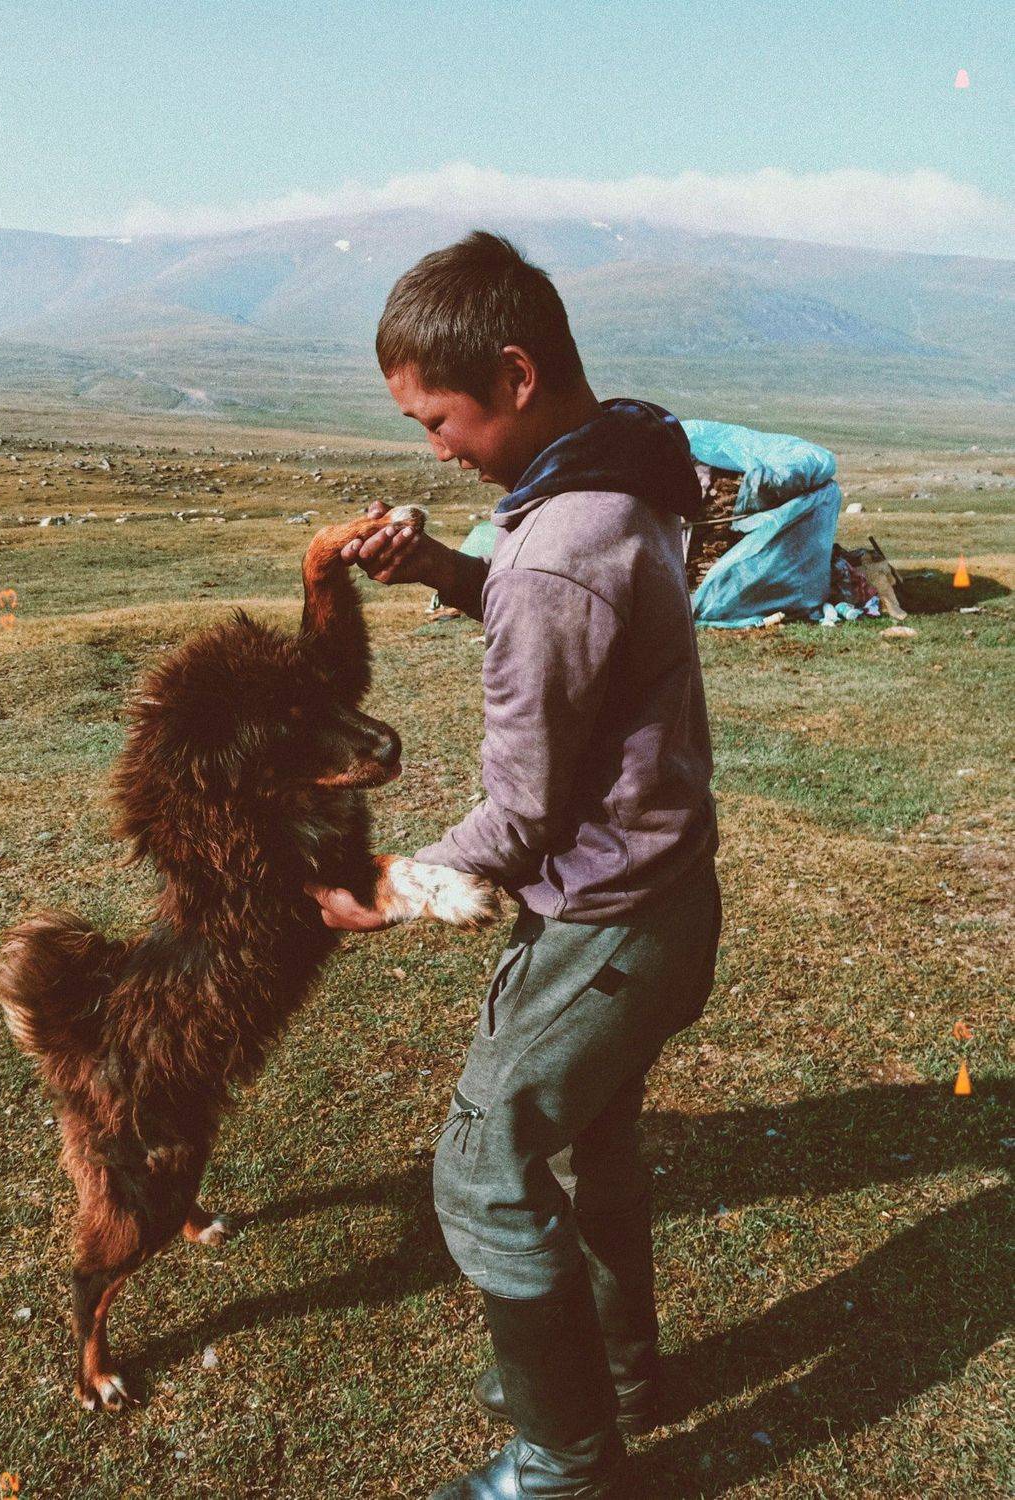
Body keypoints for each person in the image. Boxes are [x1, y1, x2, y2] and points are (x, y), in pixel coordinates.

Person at [305, 232, 722, 1500]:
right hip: (668, 900)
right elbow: (579, 620)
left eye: (438, 419)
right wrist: (447, 569)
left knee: (484, 1169)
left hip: (602, 923)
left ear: (516, 375)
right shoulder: (625, 475)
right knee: (592, 1138)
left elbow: (523, 815)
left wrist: (388, 886)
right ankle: (616, 1374)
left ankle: (565, 1464)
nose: (435, 450)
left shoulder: (554, 553)